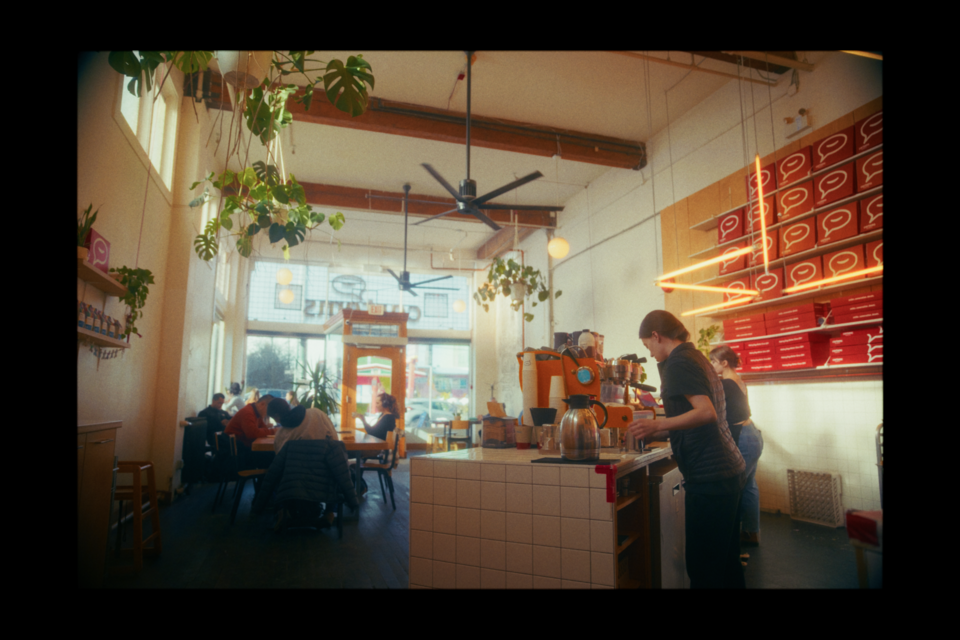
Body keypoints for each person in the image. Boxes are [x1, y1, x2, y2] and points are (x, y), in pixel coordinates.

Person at [627, 310, 746, 589]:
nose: (650, 352)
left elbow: (706, 414)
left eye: (648, 345)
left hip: (712, 477)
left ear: (656, 336)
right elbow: (697, 419)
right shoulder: (696, 358)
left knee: (704, 569)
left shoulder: (679, 362)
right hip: (727, 470)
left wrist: (656, 426)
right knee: (726, 565)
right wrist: (659, 428)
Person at [710, 345, 765, 547]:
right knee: (749, 485)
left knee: (736, 487)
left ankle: (733, 544)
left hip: (744, 438)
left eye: (713, 361)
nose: (711, 365)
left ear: (724, 363)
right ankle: (751, 533)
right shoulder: (739, 380)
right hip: (753, 434)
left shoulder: (726, 383)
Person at [267, 397, 338, 454]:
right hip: (324, 469)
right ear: (289, 407)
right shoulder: (317, 414)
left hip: (294, 471)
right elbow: (335, 441)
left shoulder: (280, 435)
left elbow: (280, 459)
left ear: (277, 416)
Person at [225, 393, 277, 469]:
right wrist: (274, 431)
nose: (269, 414)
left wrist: (268, 430)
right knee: (273, 457)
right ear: (262, 404)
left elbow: (263, 429)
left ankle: (265, 479)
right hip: (239, 455)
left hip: (243, 449)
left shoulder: (255, 412)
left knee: (273, 455)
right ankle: (266, 480)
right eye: (269, 410)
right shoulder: (248, 413)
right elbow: (253, 434)